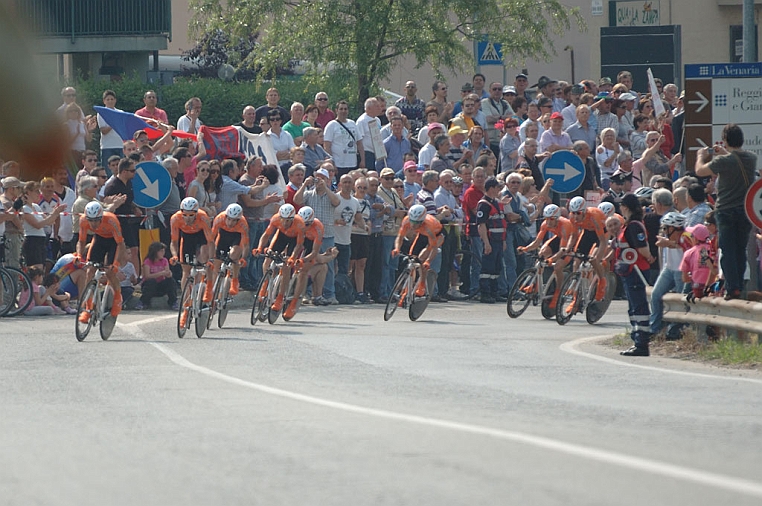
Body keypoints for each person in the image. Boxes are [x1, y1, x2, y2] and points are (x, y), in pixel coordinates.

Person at [695, 123, 757, 300]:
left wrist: (701, 156)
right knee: (739, 249)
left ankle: (732, 287)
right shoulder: (751, 158)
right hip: (745, 210)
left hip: (726, 209)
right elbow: (736, 160)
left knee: (727, 250)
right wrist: (724, 152)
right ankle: (739, 285)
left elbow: (700, 171)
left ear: (725, 140)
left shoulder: (724, 161)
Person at [612, 193, 655, 356]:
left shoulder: (634, 226)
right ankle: (637, 340)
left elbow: (642, 249)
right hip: (629, 271)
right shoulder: (629, 224)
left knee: (639, 307)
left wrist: (647, 256)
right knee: (633, 307)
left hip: (636, 271)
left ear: (625, 207)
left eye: (621, 205)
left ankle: (642, 343)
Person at [76, 201, 127, 322]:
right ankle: (88, 308)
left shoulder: (111, 220)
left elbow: (121, 244)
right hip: (99, 240)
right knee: (90, 271)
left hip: (114, 242)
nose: (93, 224)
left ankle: (118, 298)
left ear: (101, 217)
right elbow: (81, 241)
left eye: (96, 220)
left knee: (110, 272)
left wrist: (116, 264)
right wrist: (78, 255)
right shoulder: (83, 220)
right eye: (91, 220)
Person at [517, 204, 574, 308]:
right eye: (546, 218)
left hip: (569, 244)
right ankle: (535, 284)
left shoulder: (565, 225)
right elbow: (537, 242)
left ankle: (558, 291)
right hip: (558, 239)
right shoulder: (545, 224)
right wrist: (525, 248)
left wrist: (552, 259)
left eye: (551, 219)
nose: (548, 222)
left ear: (557, 218)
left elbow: (562, 250)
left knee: (557, 267)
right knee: (542, 253)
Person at [253, 203, 306, 312]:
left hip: (294, 240)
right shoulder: (275, 219)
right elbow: (266, 235)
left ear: (292, 219)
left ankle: (280, 297)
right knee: (267, 259)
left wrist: (292, 257)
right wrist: (259, 248)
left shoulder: (300, 224)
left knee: (286, 266)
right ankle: (266, 283)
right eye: (283, 220)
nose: (285, 223)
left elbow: (299, 245)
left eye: (288, 220)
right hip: (281, 236)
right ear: (280, 217)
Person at [169, 197, 215, 307]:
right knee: (186, 270)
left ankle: (208, 288)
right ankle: (186, 301)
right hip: (187, 237)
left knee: (204, 256)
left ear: (196, 213)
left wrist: (210, 259)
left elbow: (210, 241)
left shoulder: (203, 217)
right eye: (184, 215)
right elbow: (174, 242)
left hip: (201, 236)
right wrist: (174, 256)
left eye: (191, 215)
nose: (187, 218)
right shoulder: (175, 218)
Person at [391, 204, 444, 297]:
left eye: (417, 222)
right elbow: (400, 237)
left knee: (422, 257)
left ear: (422, 221)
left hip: (436, 236)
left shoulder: (428, 226)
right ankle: (409, 286)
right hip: (422, 234)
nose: (413, 225)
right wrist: (397, 248)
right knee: (412, 259)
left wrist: (428, 261)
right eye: (412, 221)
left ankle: (422, 285)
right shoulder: (406, 220)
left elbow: (433, 247)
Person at [564, 196, 609, 302]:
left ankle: (601, 282)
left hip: (602, 234)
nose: (575, 216)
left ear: (584, 211)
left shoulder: (594, 216)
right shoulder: (572, 217)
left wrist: (597, 258)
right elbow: (573, 235)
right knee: (576, 259)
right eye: (573, 213)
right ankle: (575, 282)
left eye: (578, 213)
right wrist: (567, 248)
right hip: (587, 233)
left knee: (594, 259)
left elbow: (602, 241)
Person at [475, 177, 507, 304]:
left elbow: (501, 223)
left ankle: (494, 292)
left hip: (499, 241)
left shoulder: (496, 203)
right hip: (490, 240)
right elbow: (481, 225)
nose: (499, 190)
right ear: (491, 188)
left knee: (496, 268)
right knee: (487, 268)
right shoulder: (484, 204)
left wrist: (503, 241)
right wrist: (486, 243)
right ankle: (485, 293)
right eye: (498, 187)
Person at [210, 203, 249, 297]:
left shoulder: (243, 224)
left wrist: (243, 258)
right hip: (223, 236)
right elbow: (211, 237)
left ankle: (235, 280)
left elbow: (246, 244)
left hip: (236, 237)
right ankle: (212, 290)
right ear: (226, 216)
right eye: (229, 219)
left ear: (238, 220)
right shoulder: (219, 218)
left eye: (234, 220)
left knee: (234, 256)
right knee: (216, 263)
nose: (230, 223)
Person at [140, 241, 177, 310]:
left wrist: (169, 274)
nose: (163, 253)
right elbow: (147, 276)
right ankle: (144, 302)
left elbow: (167, 273)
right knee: (151, 281)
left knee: (171, 281)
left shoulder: (164, 260)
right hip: (149, 286)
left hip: (161, 285)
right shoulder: (147, 261)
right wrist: (161, 273)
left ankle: (173, 302)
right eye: (161, 251)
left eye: (163, 251)